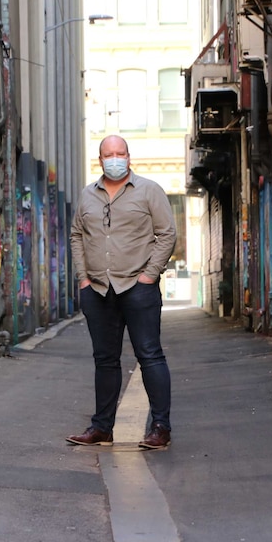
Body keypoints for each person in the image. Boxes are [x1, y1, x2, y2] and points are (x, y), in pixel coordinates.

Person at [66, 134, 177, 450]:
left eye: (121, 153)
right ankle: (101, 428)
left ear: (129, 156)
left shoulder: (148, 191)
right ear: (100, 160)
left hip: (137, 289)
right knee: (105, 360)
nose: (115, 158)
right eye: (109, 154)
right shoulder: (88, 196)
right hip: (98, 290)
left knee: (150, 355)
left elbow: (166, 234)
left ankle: (160, 428)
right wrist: (83, 278)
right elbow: (77, 235)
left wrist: (148, 275)